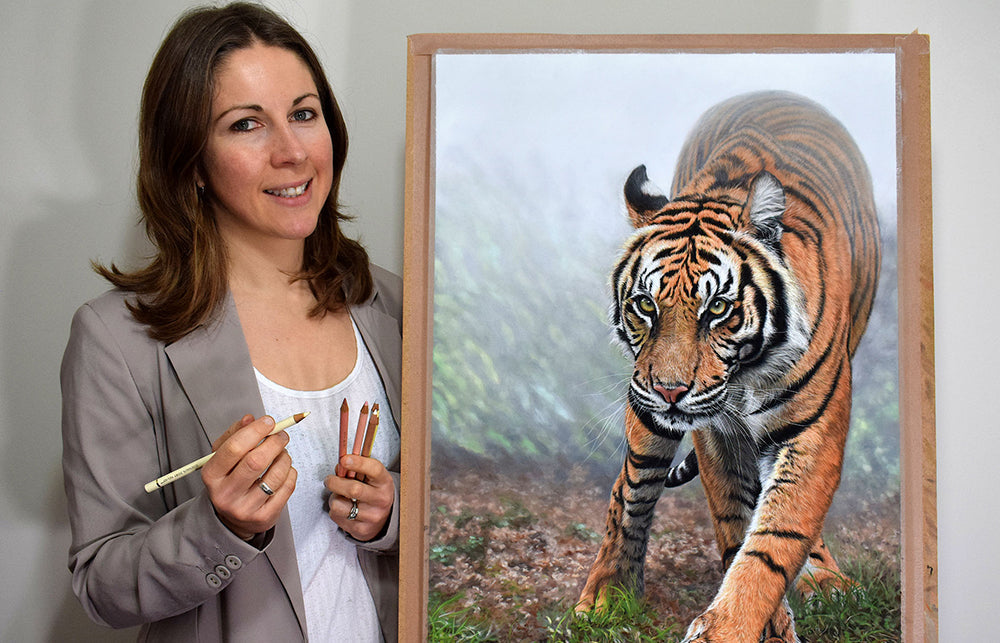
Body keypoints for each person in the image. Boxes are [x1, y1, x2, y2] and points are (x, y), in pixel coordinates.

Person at [59, 3, 401, 641]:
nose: (292, 151)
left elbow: (458, 508)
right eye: (247, 125)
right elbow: (102, 585)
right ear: (190, 162)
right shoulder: (116, 341)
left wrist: (392, 516)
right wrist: (219, 526)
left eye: (304, 113)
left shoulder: (396, 306)